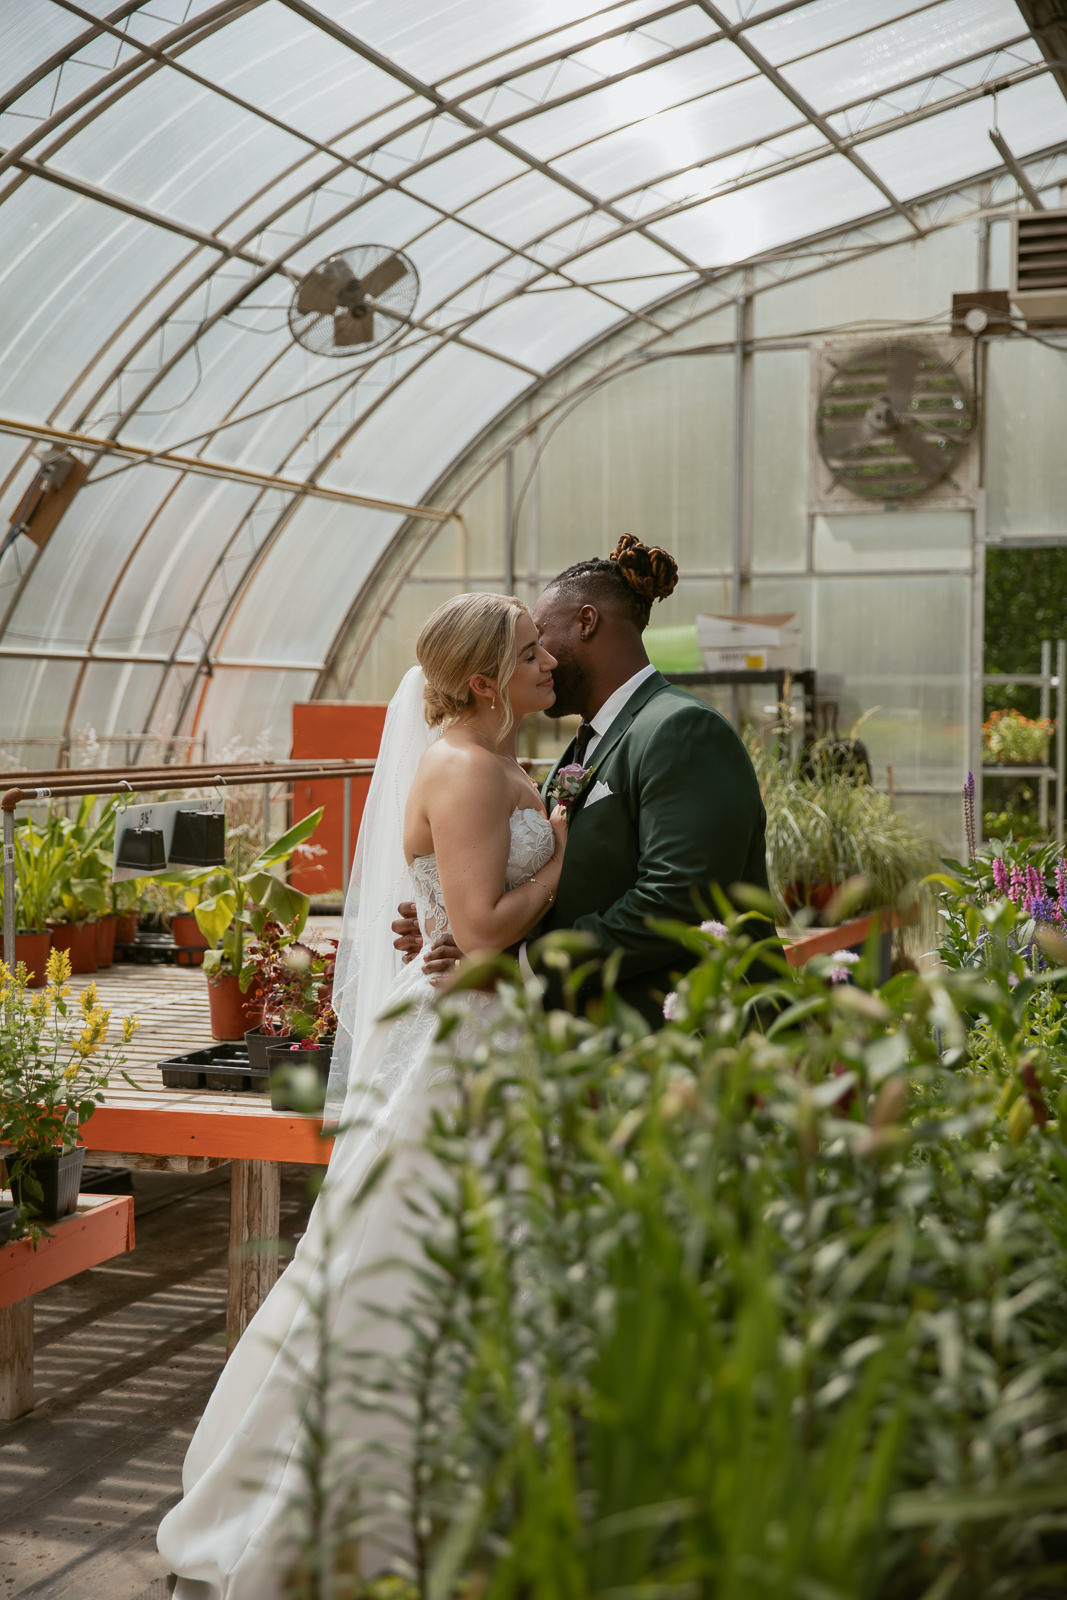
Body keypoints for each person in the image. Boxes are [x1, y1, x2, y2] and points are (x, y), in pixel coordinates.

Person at [157, 592, 566, 1598]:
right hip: (457, 1041)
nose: (547, 659)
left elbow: (442, 915)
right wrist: (559, 854)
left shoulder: (491, 761)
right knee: (404, 1255)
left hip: (477, 1026)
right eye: (528, 651)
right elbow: (477, 930)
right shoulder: (468, 768)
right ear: (483, 682)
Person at [398, 535, 777, 1024]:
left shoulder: (680, 730)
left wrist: (524, 967)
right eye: (530, 651)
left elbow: (675, 901)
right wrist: (443, 918)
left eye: (540, 639)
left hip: (683, 1037)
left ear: (586, 623)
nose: (546, 660)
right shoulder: (582, 745)